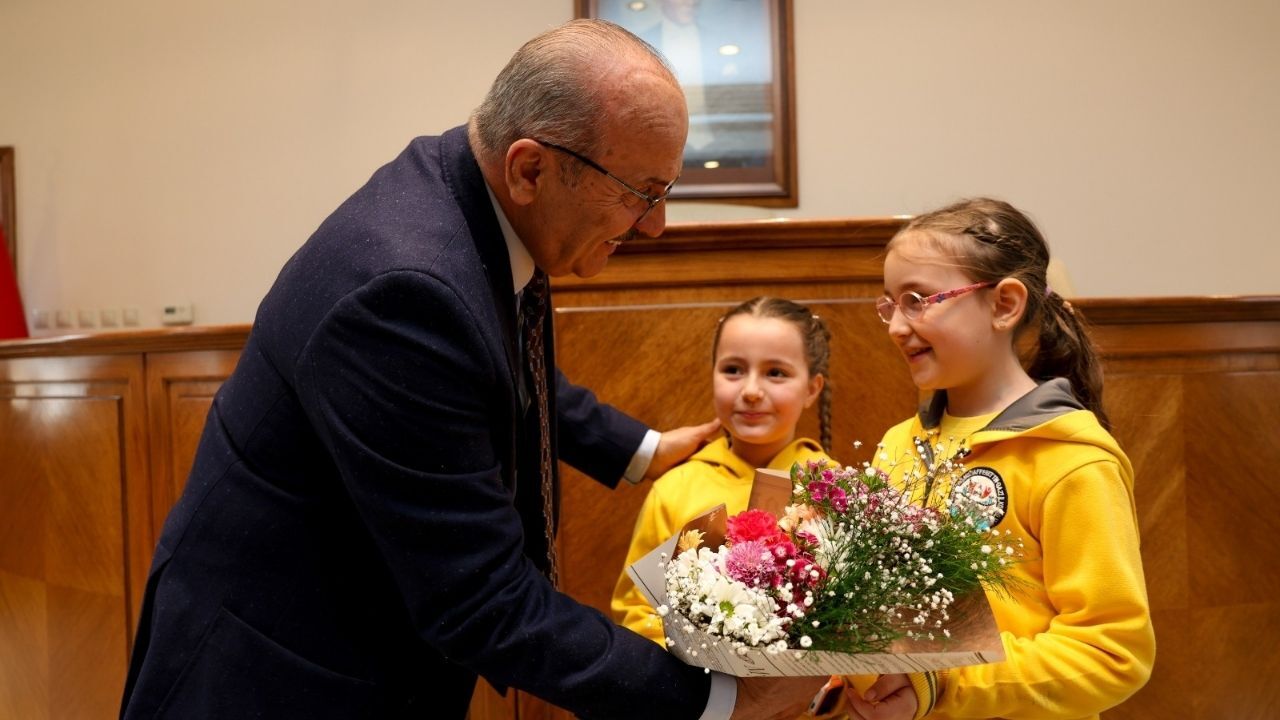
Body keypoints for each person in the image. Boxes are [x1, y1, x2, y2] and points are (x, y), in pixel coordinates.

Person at [118, 19, 822, 720]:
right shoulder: (405, 292)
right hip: (279, 673)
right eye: (640, 192)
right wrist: (721, 699)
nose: (654, 225)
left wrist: (637, 449)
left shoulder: (485, 202)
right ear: (530, 168)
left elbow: (495, 368)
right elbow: (480, 598)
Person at [846, 197, 1155, 719]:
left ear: (1004, 304)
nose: (897, 325)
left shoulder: (1070, 459)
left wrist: (945, 685)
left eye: (918, 299)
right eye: (890, 305)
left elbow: (1112, 652)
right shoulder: (899, 444)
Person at [611, 296, 835, 642]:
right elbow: (638, 609)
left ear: (811, 389)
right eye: (733, 370)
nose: (750, 391)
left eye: (776, 373)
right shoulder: (676, 488)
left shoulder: (834, 490)